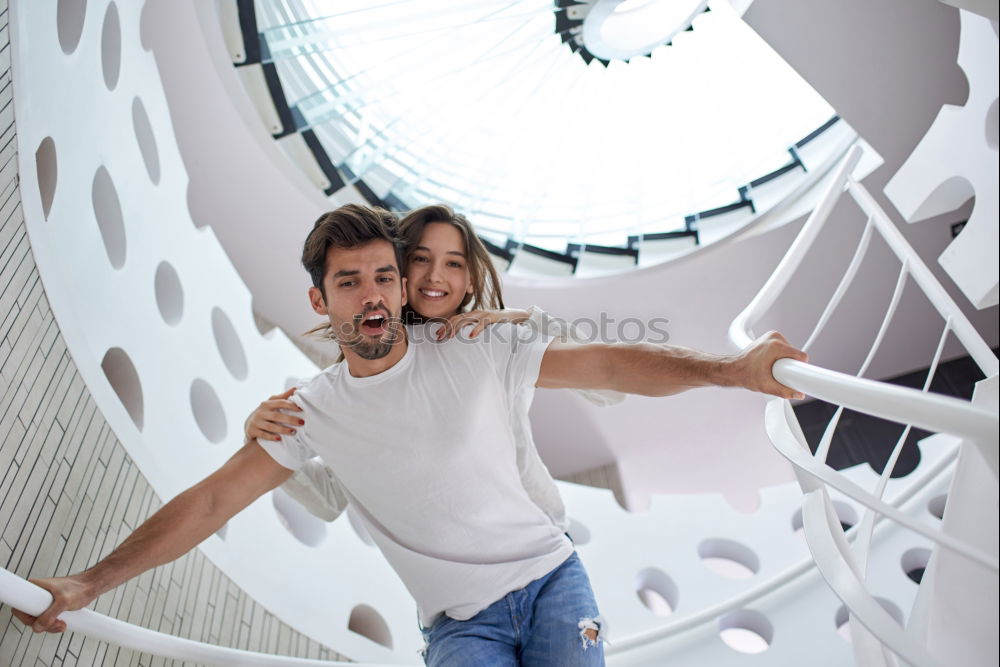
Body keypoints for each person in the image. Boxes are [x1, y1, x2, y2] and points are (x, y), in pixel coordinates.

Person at [12, 204, 807, 667]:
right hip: (461, 623)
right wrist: (86, 583)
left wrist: (733, 371)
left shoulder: (475, 345)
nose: (373, 294)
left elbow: (609, 359)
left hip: (552, 578)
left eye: (384, 276)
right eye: (349, 281)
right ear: (320, 300)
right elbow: (215, 498)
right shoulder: (310, 409)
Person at [248, 204, 623, 535]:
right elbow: (328, 500)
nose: (435, 277)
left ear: (471, 279)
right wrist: (263, 438)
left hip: (542, 547)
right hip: (454, 586)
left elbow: (610, 389)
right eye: (421, 258)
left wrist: (524, 318)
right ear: (399, 273)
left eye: (454, 264)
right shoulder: (367, 381)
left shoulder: (494, 342)